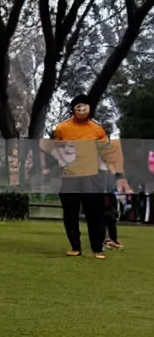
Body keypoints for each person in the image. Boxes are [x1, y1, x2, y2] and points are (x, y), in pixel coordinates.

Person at [46, 95, 127, 259]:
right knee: (70, 213)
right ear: (73, 109)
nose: (82, 110)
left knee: (95, 213)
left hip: (92, 176)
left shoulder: (97, 129)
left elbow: (106, 151)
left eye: (85, 107)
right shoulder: (62, 128)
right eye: (78, 107)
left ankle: (97, 248)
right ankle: (75, 247)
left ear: (90, 109)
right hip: (70, 177)